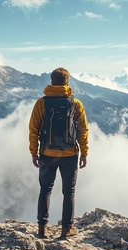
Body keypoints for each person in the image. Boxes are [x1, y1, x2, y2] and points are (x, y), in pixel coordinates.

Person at [29, 67, 89, 239]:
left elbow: (33, 129)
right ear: (67, 82)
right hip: (70, 154)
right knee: (69, 192)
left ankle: (42, 229)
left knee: (45, 190)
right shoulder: (75, 103)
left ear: (51, 81)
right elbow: (83, 130)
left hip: (47, 153)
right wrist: (84, 153)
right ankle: (66, 230)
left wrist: (34, 153)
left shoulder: (41, 103)